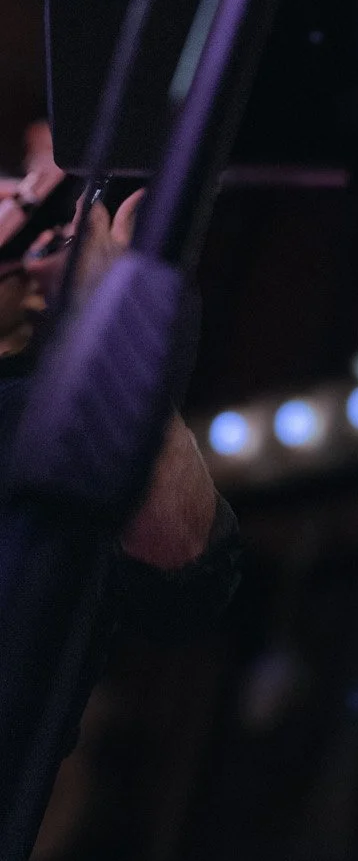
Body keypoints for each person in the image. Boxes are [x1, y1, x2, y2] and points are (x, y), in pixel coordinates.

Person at [0, 122, 238, 629]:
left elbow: (185, 561)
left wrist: (105, 313)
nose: (12, 198)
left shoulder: (30, 416)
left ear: (33, 290)